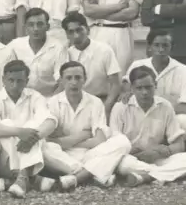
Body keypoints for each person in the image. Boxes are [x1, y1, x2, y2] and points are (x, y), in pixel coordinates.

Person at [42, 62, 131, 191]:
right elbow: (50, 140)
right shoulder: (52, 103)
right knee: (45, 147)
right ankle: (95, 173)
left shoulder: (95, 102)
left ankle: (78, 177)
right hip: (64, 155)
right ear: (61, 80)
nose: (74, 82)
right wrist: (83, 135)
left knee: (123, 141)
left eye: (78, 77)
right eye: (69, 78)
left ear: (85, 79)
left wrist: (66, 141)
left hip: (91, 153)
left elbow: (99, 140)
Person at [111, 66, 186, 186]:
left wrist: (163, 151)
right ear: (132, 88)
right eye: (139, 88)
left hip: (157, 157)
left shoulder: (165, 106)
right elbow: (114, 144)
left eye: (148, 87)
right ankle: (167, 174)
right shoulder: (120, 107)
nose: (144, 92)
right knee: (124, 164)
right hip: (131, 157)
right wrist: (136, 153)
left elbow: (179, 144)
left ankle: (146, 177)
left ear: (155, 85)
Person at [0, 60, 58, 198]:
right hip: (5, 161)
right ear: (3, 80)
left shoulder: (35, 96)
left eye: (20, 81)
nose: (15, 85)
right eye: (11, 80)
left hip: (29, 150)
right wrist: (20, 133)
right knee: (7, 123)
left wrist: (33, 138)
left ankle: (22, 178)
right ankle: (31, 178)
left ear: (26, 81)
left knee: (33, 125)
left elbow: (50, 121)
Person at [123, 30, 186, 140]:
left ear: (172, 47)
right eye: (156, 45)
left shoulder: (182, 70)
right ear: (149, 46)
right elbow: (126, 88)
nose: (161, 49)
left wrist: (161, 110)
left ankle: (166, 144)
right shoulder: (138, 64)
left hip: (167, 118)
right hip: (141, 116)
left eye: (165, 45)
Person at [62, 11, 121, 117]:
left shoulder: (104, 50)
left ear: (88, 30)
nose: (76, 35)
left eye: (79, 30)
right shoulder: (66, 53)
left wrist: (106, 108)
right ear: (67, 35)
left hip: (101, 100)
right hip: (75, 103)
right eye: (71, 32)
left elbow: (115, 84)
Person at [7, 8, 68, 97]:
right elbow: (6, 78)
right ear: (25, 27)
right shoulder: (15, 45)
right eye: (31, 25)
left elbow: (62, 82)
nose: (35, 29)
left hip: (49, 97)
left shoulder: (58, 47)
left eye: (40, 24)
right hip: (21, 98)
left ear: (47, 27)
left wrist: (50, 103)